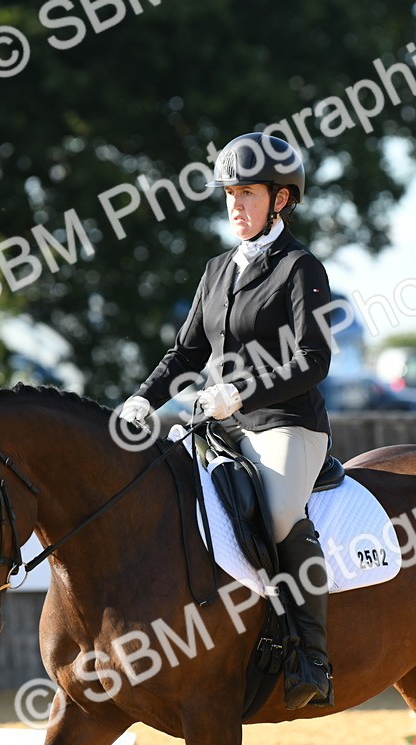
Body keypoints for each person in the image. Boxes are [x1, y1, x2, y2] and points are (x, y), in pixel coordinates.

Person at [119, 132, 334, 710]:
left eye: (247, 194)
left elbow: (315, 360)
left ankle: (310, 654)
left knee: (282, 511)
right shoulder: (216, 270)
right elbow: (187, 353)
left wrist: (241, 389)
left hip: (287, 422)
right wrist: (143, 398)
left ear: (280, 199)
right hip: (220, 422)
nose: (235, 206)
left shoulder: (300, 267)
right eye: (229, 194)